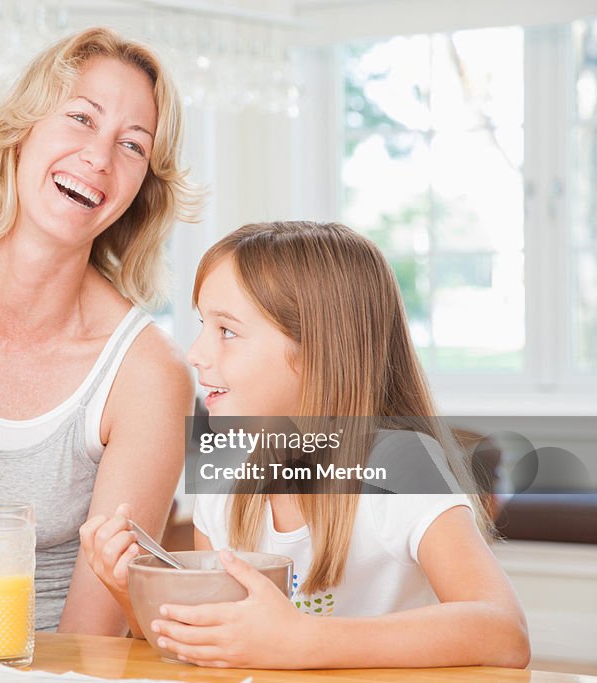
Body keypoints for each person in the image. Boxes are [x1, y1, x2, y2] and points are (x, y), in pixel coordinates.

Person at [80, 221, 531, 668]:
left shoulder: (400, 465)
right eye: (203, 325)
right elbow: (211, 636)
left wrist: (305, 640)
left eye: (227, 331)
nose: (195, 352)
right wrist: (130, 591)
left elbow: (504, 632)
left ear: (316, 351)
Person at [0, 27, 198, 634]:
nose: (98, 159)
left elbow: (91, 640)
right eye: (80, 118)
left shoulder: (147, 375)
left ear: (142, 189)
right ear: (22, 129)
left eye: (132, 145)